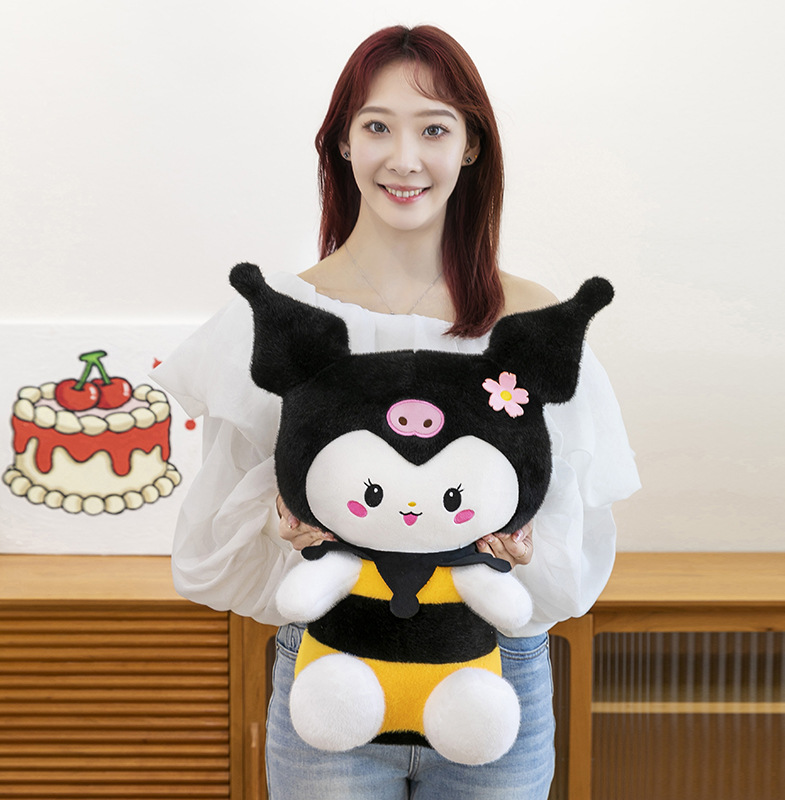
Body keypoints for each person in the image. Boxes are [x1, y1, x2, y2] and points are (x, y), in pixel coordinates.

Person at [154, 24, 640, 800]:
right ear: (341, 144)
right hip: (332, 673)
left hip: (492, 680)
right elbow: (218, 540)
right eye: (377, 127)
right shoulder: (280, 319)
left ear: (471, 146)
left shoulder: (529, 321)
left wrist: (524, 549)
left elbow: (570, 528)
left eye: (434, 129)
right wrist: (283, 528)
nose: (405, 159)